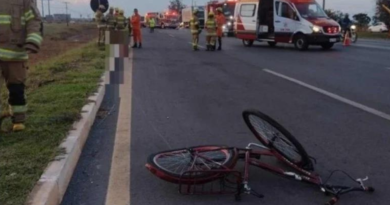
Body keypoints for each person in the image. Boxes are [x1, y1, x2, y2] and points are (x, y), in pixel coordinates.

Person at [0, 0, 43, 131]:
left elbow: (34, 21)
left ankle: (18, 119)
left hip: (16, 54)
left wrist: (33, 41)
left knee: (16, 88)